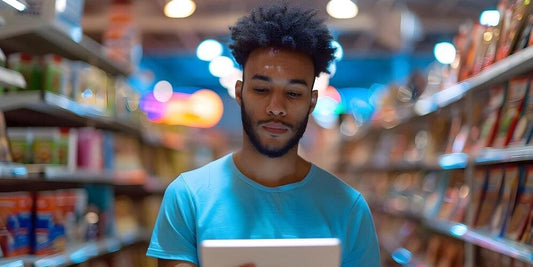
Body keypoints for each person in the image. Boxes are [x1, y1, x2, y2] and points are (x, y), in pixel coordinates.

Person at [146, 3, 381, 267]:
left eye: (293, 93)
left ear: (311, 103)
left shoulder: (349, 209)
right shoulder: (188, 196)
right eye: (260, 89)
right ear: (239, 93)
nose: (276, 108)